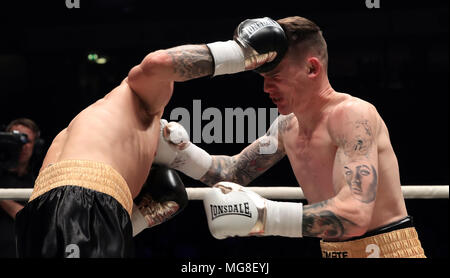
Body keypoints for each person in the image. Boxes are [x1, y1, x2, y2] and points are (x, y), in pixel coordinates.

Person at [155, 16, 426, 258]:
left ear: (312, 69)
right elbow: (233, 172)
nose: (265, 87)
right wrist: (180, 154)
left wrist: (264, 217)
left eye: (275, 76)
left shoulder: (352, 115)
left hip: (389, 251)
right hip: (335, 252)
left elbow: (355, 215)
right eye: (262, 77)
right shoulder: (287, 126)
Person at [15, 18, 286, 258]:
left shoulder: (114, 138)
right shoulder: (138, 100)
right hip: (82, 204)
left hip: (40, 217)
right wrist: (242, 52)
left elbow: (229, 172)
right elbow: (158, 64)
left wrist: (282, 131)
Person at [0, 118, 41, 257]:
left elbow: (35, 220)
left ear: (35, 145)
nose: (20, 145)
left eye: (25, 140)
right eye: (15, 139)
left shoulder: (40, 180)